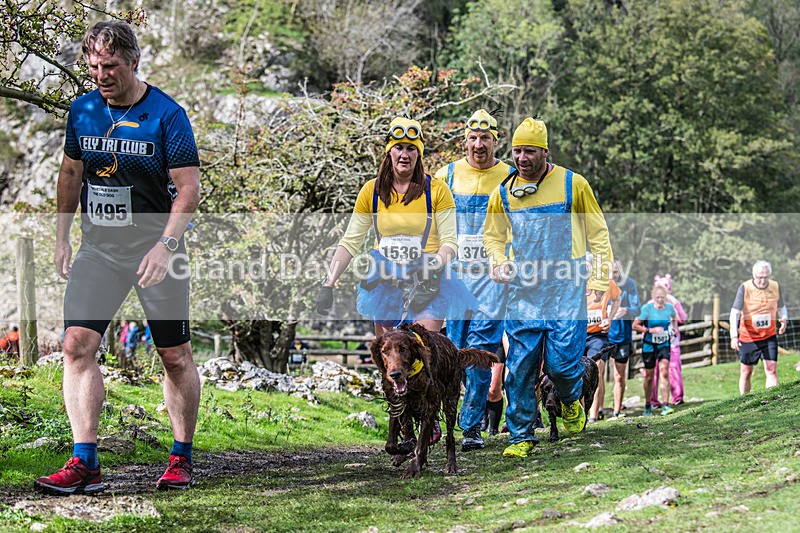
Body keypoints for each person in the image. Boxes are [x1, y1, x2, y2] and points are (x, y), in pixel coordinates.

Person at [35, 21, 201, 496]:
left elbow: (188, 189)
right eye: (93, 67)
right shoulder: (83, 110)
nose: (102, 75)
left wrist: (166, 245)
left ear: (133, 61)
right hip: (101, 250)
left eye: (110, 65)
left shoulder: (167, 114)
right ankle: (84, 461)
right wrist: (62, 235)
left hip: (158, 250)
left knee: (174, 355)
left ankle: (180, 457)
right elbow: (71, 172)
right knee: (75, 345)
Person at [315, 117, 460, 445]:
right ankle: (403, 428)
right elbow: (351, 240)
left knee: (423, 351)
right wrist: (329, 282)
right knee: (393, 357)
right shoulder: (372, 191)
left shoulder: (437, 190)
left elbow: (451, 240)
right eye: (399, 148)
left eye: (411, 148)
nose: (405, 154)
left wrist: (434, 265)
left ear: (419, 153)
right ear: (389, 152)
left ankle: (429, 418)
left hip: (428, 279)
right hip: (385, 282)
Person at [483, 117, 614, 457]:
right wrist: (498, 263)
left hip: (566, 289)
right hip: (523, 291)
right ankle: (521, 436)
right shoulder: (503, 193)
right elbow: (494, 236)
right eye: (516, 151)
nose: (521, 158)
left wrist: (599, 279)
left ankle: (571, 399)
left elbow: (598, 234)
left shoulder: (573, 184)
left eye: (529, 151)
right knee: (521, 367)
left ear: (545, 152)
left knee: (560, 365)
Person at [434, 108, 512, 452]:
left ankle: (472, 427)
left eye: (485, 139)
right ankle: (443, 421)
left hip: (492, 280)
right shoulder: (446, 175)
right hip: (453, 278)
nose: (478, 145)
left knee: (481, 354)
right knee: (449, 352)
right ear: (464, 140)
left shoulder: (510, 176)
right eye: (473, 138)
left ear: (496, 140)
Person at [730, 260, 788, 394]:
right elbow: (735, 313)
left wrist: (784, 319)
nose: (762, 281)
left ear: (770, 275)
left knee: (771, 369)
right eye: (759, 277)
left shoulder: (775, 286)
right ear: (753, 275)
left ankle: (772, 399)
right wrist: (734, 336)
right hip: (748, 337)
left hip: (769, 336)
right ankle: (744, 400)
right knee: (746, 371)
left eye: (766, 277)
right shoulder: (745, 288)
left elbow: (781, 307)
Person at [585, 254, 621, 423]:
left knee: (597, 370)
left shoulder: (605, 282)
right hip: (577, 335)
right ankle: (580, 414)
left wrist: (610, 319)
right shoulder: (572, 283)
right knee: (577, 373)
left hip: (598, 335)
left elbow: (617, 299)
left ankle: (593, 415)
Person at [632, 285, 677, 416]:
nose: (659, 300)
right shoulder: (647, 309)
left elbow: (674, 318)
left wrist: (674, 329)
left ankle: (665, 405)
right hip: (649, 345)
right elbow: (635, 325)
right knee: (650, 376)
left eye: (662, 297)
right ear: (653, 297)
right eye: (657, 297)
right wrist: (649, 330)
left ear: (665, 297)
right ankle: (648, 405)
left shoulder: (669, 308)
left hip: (664, 344)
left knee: (664, 372)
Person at [606, 260, 641, 418]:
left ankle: (617, 410)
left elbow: (637, 310)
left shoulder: (629, 285)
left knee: (619, 375)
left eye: (616, 272)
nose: (613, 275)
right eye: (610, 272)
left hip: (622, 335)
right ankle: (594, 412)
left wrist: (625, 310)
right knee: (597, 373)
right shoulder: (600, 285)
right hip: (602, 335)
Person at [649, 274, 687, 406]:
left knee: (674, 369)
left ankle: (677, 397)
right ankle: (653, 400)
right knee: (653, 372)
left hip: (671, 343)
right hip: (653, 344)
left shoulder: (673, 304)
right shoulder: (649, 305)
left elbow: (683, 319)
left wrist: (675, 302)